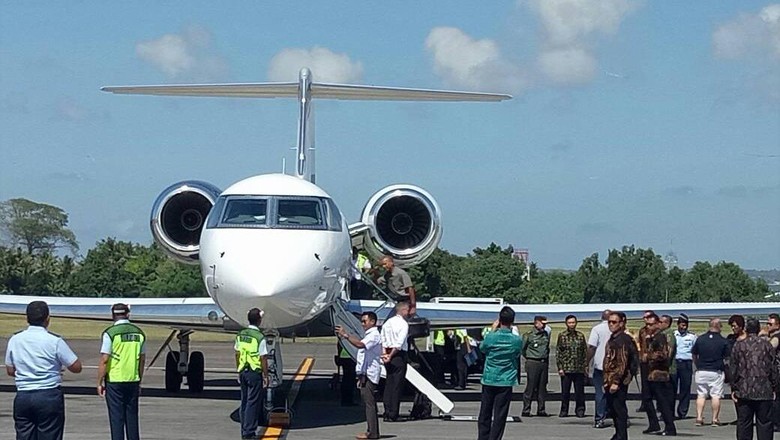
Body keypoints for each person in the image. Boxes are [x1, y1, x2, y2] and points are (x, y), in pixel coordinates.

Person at [5, 300, 83, 440]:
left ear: (27, 318)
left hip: (23, 395)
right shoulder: (54, 341)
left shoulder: (15, 340)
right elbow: (76, 367)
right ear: (47, 319)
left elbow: (10, 370)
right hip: (48, 395)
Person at [97, 303, 146, 440]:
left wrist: (99, 382)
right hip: (132, 379)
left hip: (115, 380)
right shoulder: (139, 333)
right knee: (132, 419)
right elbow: (141, 360)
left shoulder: (110, 333)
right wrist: (139, 380)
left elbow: (105, 359)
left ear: (113, 315)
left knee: (116, 419)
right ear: (128, 314)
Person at [477, 306, 523, 440]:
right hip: (506, 380)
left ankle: (483, 437)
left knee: (485, 412)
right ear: (512, 321)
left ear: (499, 320)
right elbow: (517, 354)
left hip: (490, 378)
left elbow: (482, 348)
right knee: (500, 414)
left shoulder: (491, 337)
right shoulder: (516, 340)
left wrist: (492, 329)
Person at [730, 318, 779, 440]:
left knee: (744, 423)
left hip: (744, 390)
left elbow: (733, 369)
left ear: (746, 329)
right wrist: (775, 387)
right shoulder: (767, 345)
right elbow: (773, 368)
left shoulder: (739, 345)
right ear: (758, 329)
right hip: (764, 390)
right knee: (765, 423)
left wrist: (734, 388)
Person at [336, 311, 383, 440]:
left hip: (370, 373)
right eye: (362, 321)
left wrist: (346, 335)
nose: (362, 324)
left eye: (365, 321)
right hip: (365, 373)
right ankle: (371, 431)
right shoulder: (369, 334)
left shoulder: (373, 335)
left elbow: (360, 345)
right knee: (367, 403)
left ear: (372, 322)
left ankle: (372, 432)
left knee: (369, 404)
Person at [603, 311, 639, 440]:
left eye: (614, 322)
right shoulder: (614, 338)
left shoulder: (622, 339)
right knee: (613, 409)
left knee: (619, 410)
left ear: (621, 323)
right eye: (609, 322)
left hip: (618, 381)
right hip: (609, 379)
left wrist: (616, 381)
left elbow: (622, 362)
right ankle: (618, 433)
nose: (611, 324)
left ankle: (621, 436)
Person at [235, 308, 269, 440]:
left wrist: (238, 369)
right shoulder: (259, 337)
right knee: (252, 403)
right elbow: (263, 358)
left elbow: (237, 353)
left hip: (243, 370)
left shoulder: (241, 334)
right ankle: (249, 432)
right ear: (259, 320)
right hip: (254, 372)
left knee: (244, 401)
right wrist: (266, 376)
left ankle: (244, 430)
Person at [692, 317, 729, 427]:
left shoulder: (700, 339)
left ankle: (699, 417)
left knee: (701, 395)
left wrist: (697, 364)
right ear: (719, 327)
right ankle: (715, 419)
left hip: (701, 370)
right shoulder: (723, 341)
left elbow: (694, 354)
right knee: (716, 395)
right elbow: (727, 358)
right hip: (715, 371)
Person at [643, 318, 677, 435]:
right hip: (651, 374)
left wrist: (649, 356)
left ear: (657, 324)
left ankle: (670, 427)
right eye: (647, 324)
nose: (648, 326)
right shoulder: (652, 337)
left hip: (660, 374)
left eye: (651, 324)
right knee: (647, 398)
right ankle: (654, 424)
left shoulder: (660, 337)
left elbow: (663, 355)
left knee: (662, 402)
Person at [380, 301, 410, 422]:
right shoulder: (403, 324)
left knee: (389, 383)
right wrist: (391, 355)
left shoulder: (388, 322)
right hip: (397, 355)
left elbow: (382, 338)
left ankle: (387, 411)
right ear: (402, 311)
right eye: (407, 310)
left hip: (386, 352)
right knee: (397, 385)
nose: (408, 313)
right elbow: (398, 344)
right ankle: (393, 413)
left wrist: (384, 354)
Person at [556, 314, 587, 418]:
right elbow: (558, 352)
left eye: (573, 322)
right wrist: (560, 367)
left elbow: (584, 352)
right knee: (565, 392)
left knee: (579, 392)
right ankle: (564, 410)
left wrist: (585, 366)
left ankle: (580, 410)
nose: (571, 325)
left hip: (578, 369)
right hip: (566, 368)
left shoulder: (580, 336)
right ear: (566, 324)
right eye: (569, 323)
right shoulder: (562, 335)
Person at [586, 309, 611, 429]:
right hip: (613, 367)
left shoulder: (597, 329)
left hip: (600, 365)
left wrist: (586, 362)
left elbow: (592, 347)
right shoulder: (618, 330)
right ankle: (615, 415)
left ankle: (599, 418)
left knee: (600, 393)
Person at [521, 315, 551, 417]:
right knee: (531, 386)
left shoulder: (546, 334)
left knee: (542, 387)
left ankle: (541, 409)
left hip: (543, 362)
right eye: (542, 323)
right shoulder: (528, 335)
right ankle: (526, 409)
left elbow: (547, 348)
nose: (544, 325)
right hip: (533, 362)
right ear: (536, 323)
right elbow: (522, 349)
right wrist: (529, 357)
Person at [673, 313, 696, 420]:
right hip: (674, 362)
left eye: (685, 325)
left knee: (685, 388)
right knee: (671, 388)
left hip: (686, 363)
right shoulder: (673, 335)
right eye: (682, 325)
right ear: (678, 325)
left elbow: (695, 351)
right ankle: (669, 411)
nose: (684, 327)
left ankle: (682, 411)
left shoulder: (692, 337)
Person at [636, 311, 658, 414]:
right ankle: (644, 403)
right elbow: (640, 343)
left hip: (655, 361)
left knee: (656, 384)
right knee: (645, 383)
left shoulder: (658, 333)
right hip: (644, 360)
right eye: (644, 317)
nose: (645, 319)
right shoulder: (642, 331)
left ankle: (658, 405)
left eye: (647, 317)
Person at [766, 313, 780, 433]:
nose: (767, 326)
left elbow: (769, 348)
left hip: (777, 372)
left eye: (770, 324)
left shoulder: (777, 337)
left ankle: (776, 423)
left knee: (776, 398)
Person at [337, 339, 357, 405]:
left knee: (346, 378)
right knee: (350, 379)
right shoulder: (350, 337)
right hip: (350, 356)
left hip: (344, 356)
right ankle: (348, 399)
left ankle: (345, 399)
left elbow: (339, 345)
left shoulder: (343, 338)